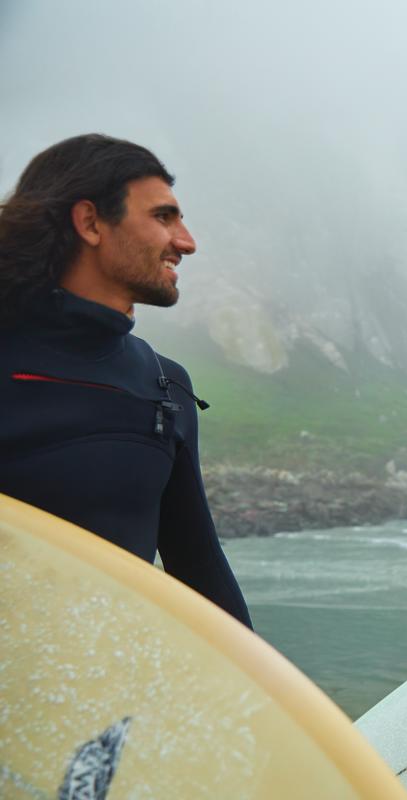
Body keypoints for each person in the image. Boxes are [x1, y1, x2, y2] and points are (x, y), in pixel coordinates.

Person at [0, 134, 251, 628]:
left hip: (101, 698)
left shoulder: (163, 383)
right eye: (163, 216)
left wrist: (265, 700)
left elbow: (199, 567)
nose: (186, 242)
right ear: (91, 222)